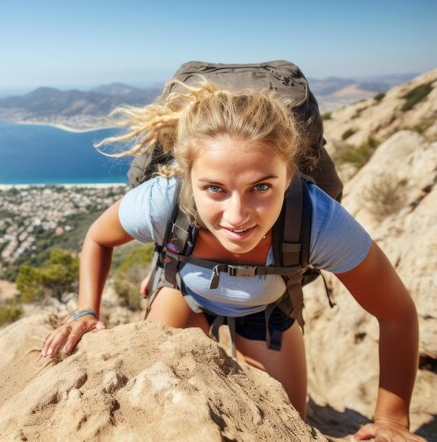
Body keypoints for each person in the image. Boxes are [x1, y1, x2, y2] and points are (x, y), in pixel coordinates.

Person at [41, 79, 424, 441]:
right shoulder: (162, 199)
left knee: (286, 425)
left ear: (288, 175)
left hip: (267, 305)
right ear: (188, 178)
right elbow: (98, 238)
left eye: (261, 187)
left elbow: (397, 313)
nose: (237, 215)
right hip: (184, 291)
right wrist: (84, 311)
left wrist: (391, 420)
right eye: (214, 189)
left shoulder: (317, 220)